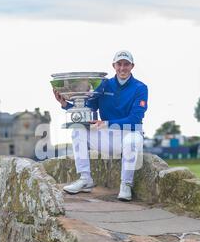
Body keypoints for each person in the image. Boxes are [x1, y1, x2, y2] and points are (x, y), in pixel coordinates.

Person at [53, 50, 148, 201]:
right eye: (119, 64)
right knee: (78, 132)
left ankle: (126, 184)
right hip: (107, 135)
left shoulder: (140, 88)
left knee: (132, 141)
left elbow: (135, 119)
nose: (122, 68)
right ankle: (85, 180)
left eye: (126, 64)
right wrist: (65, 104)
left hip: (130, 133)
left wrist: (107, 123)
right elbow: (88, 110)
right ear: (113, 66)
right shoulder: (104, 85)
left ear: (132, 66)